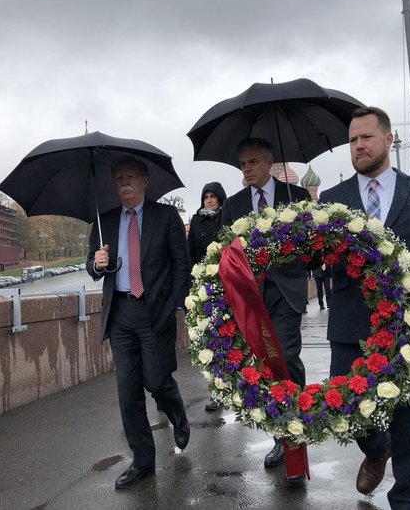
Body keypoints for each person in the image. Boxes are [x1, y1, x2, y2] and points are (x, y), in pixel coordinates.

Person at [319, 106, 410, 509]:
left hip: (408, 326)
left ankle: (407, 498)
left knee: (409, 412)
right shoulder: (333, 200)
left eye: (366, 137)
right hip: (349, 324)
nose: (359, 145)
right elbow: (317, 256)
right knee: (346, 407)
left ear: (389, 139)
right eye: (352, 140)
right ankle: (376, 447)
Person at [86, 156, 191, 490]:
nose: (124, 184)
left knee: (157, 380)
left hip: (155, 312)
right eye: (118, 178)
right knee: (128, 392)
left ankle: (176, 411)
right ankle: (143, 462)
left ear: (145, 181)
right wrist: (97, 263)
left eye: (130, 177)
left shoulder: (166, 216)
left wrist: (174, 303)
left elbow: (181, 263)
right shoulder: (104, 222)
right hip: (120, 315)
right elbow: (92, 267)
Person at [221, 137, 312, 482]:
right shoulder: (233, 205)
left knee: (286, 357)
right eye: (242, 164)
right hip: (252, 296)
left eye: (253, 162)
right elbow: (225, 250)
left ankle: (297, 428)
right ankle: (283, 435)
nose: (247, 169)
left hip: (286, 290)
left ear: (270, 163)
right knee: (266, 364)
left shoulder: (296, 197)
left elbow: (310, 245)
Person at [187, 181, 227, 411]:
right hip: (204, 288)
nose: (209, 200)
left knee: (229, 339)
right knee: (209, 341)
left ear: (220, 198)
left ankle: (235, 387)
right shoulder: (197, 220)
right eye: (206, 197)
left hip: (227, 285)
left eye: (213, 196)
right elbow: (190, 251)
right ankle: (216, 391)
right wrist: (196, 279)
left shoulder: (227, 217)